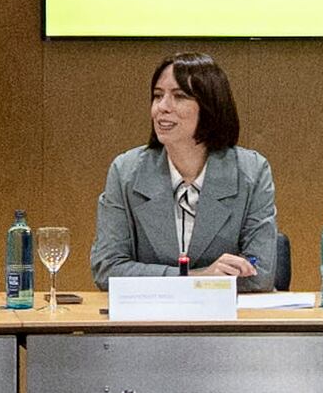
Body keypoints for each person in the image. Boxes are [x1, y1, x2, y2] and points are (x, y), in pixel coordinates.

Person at [96, 51, 280, 283]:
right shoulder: (126, 171)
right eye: (157, 96)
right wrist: (196, 278)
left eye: (179, 96)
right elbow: (107, 268)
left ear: (210, 106)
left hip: (223, 307)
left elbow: (260, 272)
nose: (162, 107)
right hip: (153, 307)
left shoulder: (252, 171)